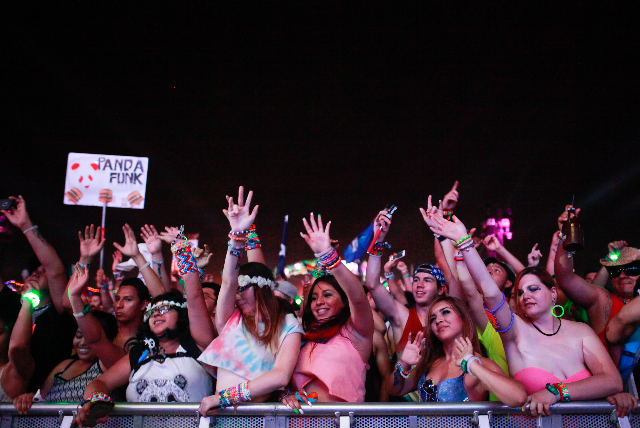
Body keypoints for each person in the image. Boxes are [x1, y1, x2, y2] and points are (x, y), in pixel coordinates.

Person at [426, 207, 623, 416]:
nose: (525, 295)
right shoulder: (515, 332)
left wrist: (557, 392)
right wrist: (463, 242)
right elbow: (490, 293)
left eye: (533, 289)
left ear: (553, 294)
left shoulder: (581, 331)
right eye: (520, 292)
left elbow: (612, 381)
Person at [73, 240, 215, 426]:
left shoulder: (198, 345)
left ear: (181, 314)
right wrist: (97, 400)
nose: (156, 313)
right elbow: (100, 383)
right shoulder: (139, 353)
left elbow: (195, 299)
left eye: (164, 309)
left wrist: (185, 258)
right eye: (152, 311)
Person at [198, 187, 303, 415]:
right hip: (223, 419)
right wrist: (237, 239)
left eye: (242, 288)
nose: (236, 296)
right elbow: (228, 282)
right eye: (235, 290)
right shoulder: (231, 318)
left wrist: (224, 398)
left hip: (262, 418)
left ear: (261, 287)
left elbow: (281, 376)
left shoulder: (289, 324)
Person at [280, 213, 374, 413]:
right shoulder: (304, 337)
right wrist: (287, 395)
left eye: (327, 295)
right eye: (314, 298)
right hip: (301, 422)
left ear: (344, 301)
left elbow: (358, 297)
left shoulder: (356, 333)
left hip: (343, 422)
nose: (319, 302)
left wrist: (328, 255)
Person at [385, 296, 526, 406]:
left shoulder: (478, 362)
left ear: (463, 318)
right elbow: (394, 390)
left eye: (445, 312)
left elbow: (518, 397)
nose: (438, 320)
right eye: (433, 318)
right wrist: (404, 364)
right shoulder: (429, 363)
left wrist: (471, 364)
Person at [13, 267, 119, 412]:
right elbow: (39, 398)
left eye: (88, 338)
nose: (82, 343)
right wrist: (28, 398)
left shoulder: (109, 367)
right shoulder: (64, 366)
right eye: (79, 336)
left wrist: (75, 296)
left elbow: (96, 338)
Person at [1, 196, 77, 392]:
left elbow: (55, 269)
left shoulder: (59, 316)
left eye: (43, 271)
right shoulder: (12, 305)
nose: (37, 272)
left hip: (41, 398)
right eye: (35, 270)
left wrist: (25, 225)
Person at [0, 297, 35, 401]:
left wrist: (27, 302)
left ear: (10, 335)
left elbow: (18, 348)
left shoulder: (12, 370)